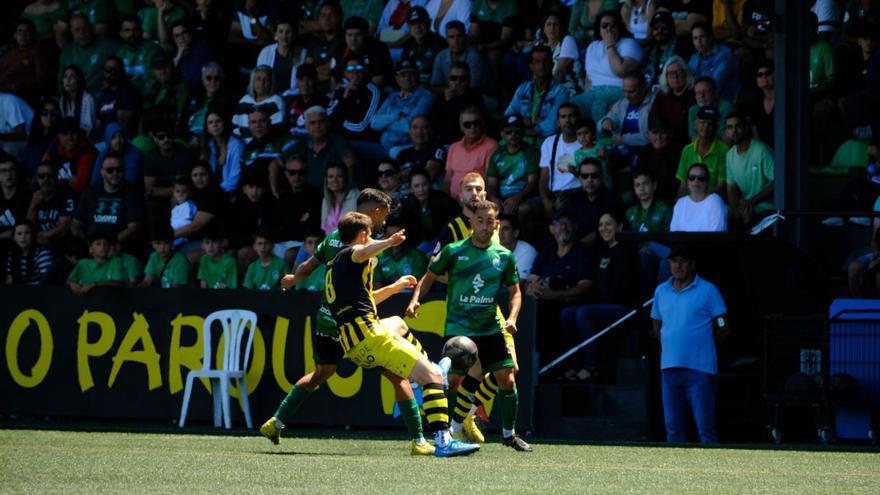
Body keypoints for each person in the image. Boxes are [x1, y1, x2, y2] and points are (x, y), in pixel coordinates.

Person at [266, 189, 449, 456]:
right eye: (384, 216)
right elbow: (362, 265)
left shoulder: (333, 241)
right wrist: (388, 242)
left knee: (322, 373)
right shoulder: (363, 250)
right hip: (359, 330)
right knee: (399, 377)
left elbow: (309, 266)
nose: (385, 221)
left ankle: (276, 421)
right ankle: (422, 434)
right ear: (375, 214)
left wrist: (294, 279)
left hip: (330, 322)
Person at [325, 210, 480, 456]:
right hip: (370, 337)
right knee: (433, 376)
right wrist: (389, 242)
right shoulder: (350, 254)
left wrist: (394, 288)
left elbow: (368, 300)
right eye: (371, 235)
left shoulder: (335, 266)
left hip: (357, 342)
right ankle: (443, 441)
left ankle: (421, 377)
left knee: (398, 322)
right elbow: (362, 251)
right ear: (363, 235)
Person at [407, 199, 531, 451]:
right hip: (459, 330)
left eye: (490, 221)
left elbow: (516, 292)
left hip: (489, 327)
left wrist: (512, 317)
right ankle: (446, 435)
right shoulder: (453, 251)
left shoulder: (504, 257)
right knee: (451, 383)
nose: (485, 226)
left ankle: (508, 435)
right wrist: (415, 299)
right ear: (471, 222)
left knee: (507, 379)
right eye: (480, 220)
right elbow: (429, 276)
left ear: (497, 224)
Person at [651, 244, 729, 444]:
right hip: (669, 368)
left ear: (692, 264)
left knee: (705, 429)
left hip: (700, 368)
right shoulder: (661, 291)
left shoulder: (708, 290)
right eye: (674, 261)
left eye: (682, 261)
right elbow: (656, 323)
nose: (678, 265)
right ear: (668, 263)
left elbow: (722, 323)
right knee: (673, 429)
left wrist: (706, 345)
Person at [559, 210, 639, 381]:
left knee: (583, 313)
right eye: (601, 225)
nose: (604, 228)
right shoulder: (601, 251)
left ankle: (591, 366)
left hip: (623, 308)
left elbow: (623, 290)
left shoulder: (626, 252)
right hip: (601, 306)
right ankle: (573, 364)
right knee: (567, 313)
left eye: (608, 224)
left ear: (620, 226)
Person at [573, 10, 643, 122]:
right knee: (571, 107)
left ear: (619, 27)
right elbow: (588, 79)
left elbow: (619, 70)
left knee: (599, 105)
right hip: (593, 92)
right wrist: (586, 98)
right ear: (599, 30)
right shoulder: (592, 46)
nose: (608, 29)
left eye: (613, 25)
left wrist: (610, 45)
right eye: (604, 26)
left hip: (620, 91)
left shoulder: (629, 44)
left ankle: (602, 137)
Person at [72, 152, 146, 245]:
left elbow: (134, 228)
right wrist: (88, 243)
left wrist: (110, 244)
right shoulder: (90, 192)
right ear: (102, 172)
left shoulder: (133, 193)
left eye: (119, 169)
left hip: (119, 247)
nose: (115, 173)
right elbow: (76, 223)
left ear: (124, 171)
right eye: (110, 170)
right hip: (91, 247)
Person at [276, 106, 357, 190]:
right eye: (312, 123)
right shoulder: (302, 143)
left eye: (321, 122)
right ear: (306, 127)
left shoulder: (337, 141)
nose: (317, 126)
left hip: (331, 193)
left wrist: (345, 187)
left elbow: (350, 161)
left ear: (328, 123)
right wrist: (276, 193)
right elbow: (275, 164)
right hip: (308, 195)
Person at [505, 45, 570, 139]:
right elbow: (508, 116)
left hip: (544, 141)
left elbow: (552, 126)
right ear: (531, 66)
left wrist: (525, 124)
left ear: (552, 64)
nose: (542, 65)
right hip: (517, 139)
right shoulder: (523, 89)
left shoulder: (560, 91)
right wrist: (534, 121)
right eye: (538, 62)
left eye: (545, 62)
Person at [371, 60, 434, 155]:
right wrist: (397, 116)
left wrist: (385, 123)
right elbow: (374, 123)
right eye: (403, 75)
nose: (407, 78)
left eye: (411, 74)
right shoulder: (392, 96)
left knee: (393, 152)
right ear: (397, 78)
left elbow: (408, 126)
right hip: (385, 147)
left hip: (410, 146)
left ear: (417, 76)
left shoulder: (426, 96)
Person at [724, 112, 774, 227]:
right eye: (730, 127)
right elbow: (730, 188)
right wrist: (735, 207)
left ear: (746, 129)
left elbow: (777, 183)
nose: (734, 131)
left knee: (747, 214)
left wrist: (751, 202)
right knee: (723, 212)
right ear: (726, 132)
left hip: (765, 204)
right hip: (746, 203)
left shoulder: (762, 150)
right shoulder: (730, 155)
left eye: (738, 126)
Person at [272, 156, 322, 264]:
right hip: (280, 243)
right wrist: (297, 224)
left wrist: (292, 227)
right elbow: (275, 228)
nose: (297, 176)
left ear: (307, 173)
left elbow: (311, 227)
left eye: (301, 172)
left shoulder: (315, 195)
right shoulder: (282, 196)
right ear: (286, 174)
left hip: (303, 244)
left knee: (290, 254)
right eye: (292, 172)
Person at [486, 115, 539, 215]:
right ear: (502, 134)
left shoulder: (532, 152)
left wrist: (517, 198)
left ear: (523, 132)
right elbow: (491, 184)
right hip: (501, 199)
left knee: (524, 209)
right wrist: (495, 199)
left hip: (524, 198)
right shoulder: (496, 155)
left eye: (517, 131)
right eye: (508, 132)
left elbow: (532, 182)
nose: (513, 135)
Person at [444, 106, 498, 199]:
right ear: (461, 127)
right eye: (467, 124)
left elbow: (490, 180)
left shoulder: (491, 146)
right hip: (453, 200)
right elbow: (448, 179)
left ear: (482, 124)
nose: (472, 127)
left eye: (476, 123)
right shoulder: (454, 147)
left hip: (475, 200)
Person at [538, 104, 583, 214]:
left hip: (577, 192)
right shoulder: (549, 142)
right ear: (558, 122)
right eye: (563, 117)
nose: (567, 120)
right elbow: (544, 177)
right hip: (553, 193)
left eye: (571, 116)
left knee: (562, 205)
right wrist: (545, 200)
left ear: (577, 119)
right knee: (525, 209)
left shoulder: (584, 142)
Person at [400, 169, 461, 250]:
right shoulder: (406, 206)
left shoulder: (444, 201)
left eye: (424, 185)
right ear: (411, 188)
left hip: (444, 243)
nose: (421, 190)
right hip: (419, 246)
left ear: (430, 184)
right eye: (416, 186)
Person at [568, 158, 623, 246]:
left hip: (603, 248)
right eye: (585, 176)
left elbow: (603, 233)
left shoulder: (612, 199)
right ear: (580, 179)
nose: (589, 180)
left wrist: (576, 247)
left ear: (601, 178)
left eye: (594, 175)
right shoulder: (575, 197)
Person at [57, 15, 118, 94]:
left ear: (91, 28)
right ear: (71, 31)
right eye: (77, 30)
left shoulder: (107, 44)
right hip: (77, 97)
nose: (82, 33)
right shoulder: (68, 52)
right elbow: (60, 81)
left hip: (103, 95)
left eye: (85, 28)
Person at [676, 105, 728, 197]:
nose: (706, 126)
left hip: (712, 201)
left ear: (716, 127)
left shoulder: (724, 150)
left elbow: (722, 187)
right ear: (695, 125)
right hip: (690, 200)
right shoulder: (687, 150)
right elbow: (683, 184)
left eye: (710, 123)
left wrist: (701, 201)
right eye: (702, 122)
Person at [431, 61, 485, 145]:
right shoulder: (440, 97)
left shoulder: (475, 98)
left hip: (463, 142)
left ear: (469, 79)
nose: (457, 82)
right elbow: (435, 122)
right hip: (441, 142)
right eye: (453, 78)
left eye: (462, 79)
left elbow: (460, 124)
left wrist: (450, 102)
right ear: (448, 79)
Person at [430, 21, 490, 96]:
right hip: (450, 95)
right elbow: (434, 86)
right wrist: (449, 91)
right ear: (446, 39)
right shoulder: (441, 55)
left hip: (478, 97)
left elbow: (473, 88)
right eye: (452, 37)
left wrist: (450, 91)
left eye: (459, 36)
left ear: (465, 37)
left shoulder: (474, 57)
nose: (456, 41)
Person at [599, 72, 657, 149]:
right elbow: (602, 123)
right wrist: (605, 121)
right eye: (624, 91)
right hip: (621, 150)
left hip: (646, 150)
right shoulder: (622, 103)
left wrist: (624, 139)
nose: (627, 96)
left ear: (643, 88)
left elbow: (650, 136)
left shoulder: (655, 103)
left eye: (632, 92)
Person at [648, 56, 696, 147]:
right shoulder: (661, 96)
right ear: (665, 77)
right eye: (671, 73)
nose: (675, 76)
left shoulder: (693, 94)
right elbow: (652, 119)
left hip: (686, 143)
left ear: (686, 73)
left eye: (679, 72)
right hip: (663, 142)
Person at [41, 117, 97, 196]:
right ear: (59, 136)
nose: (70, 138)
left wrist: (55, 181)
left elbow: (80, 186)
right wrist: (69, 181)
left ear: (79, 133)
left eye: (73, 133)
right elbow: (42, 173)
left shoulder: (87, 152)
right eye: (65, 134)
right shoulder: (54, 147)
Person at [26, 161, 74, 252]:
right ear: (36, 178)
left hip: (59, 246)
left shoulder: (65, 193)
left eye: (50, 175)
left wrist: (40, 237)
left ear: (56, 176)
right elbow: (28, 226)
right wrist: (33, 206)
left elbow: (63, 227)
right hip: (35, 246)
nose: (45, 179)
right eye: (41, 176)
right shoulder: (31, 195)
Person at [634, 116, 681, 204]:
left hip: (672, 200)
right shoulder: (644, 153)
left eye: (662, 133)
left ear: (669, 133)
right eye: (655, 133)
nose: (658, 137)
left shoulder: (678, 152)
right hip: (649, 201)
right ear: (648, 134)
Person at [143, 120, 195, 201]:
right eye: (161, 137)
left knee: (177, 198)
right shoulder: (150, 157)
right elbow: (149, 189)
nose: (166, 139)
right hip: (157, 199)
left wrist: (157, 191)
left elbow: (181, 189)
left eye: (169, 135)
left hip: (180, 197)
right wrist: (171, 190)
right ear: (155, 139)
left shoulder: (184, 154)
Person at [688, 22, 739, 103]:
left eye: (702, 37)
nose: (699, 42)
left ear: (710, 38)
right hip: (702, 100)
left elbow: (715, 84)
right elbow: (689, 82)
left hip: (725, 101)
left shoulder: (724, 54)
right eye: (695, 38)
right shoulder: (693, 58)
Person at [232, 66, 285, 142]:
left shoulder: (276, 100)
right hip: (243, 145)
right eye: (258, 79)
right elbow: (235, 126)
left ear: (271, 83)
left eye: (266, 80)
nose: (261, 83)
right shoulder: (244, 100)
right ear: (252, 81)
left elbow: (276, 129)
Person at [670, 163, 727, 232]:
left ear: (707, 182)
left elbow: (717, 237)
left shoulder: (715, 201)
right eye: (692, 178)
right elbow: (674, 234)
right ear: (687, 182)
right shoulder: (680, 204)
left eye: (701, 178)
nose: (696, 181)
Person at [375, 214, 428, 288]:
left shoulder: (418, 258)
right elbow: (377, 285)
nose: (395, 241)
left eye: (398, 237)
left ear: (406, 235)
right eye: (390, 237)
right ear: (385, 236)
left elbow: (417, 288)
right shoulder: (378, 256)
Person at [339, 16, 395, 87]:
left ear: (366, 35)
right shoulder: (341, 49)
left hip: (378, 90)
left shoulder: (379, 49)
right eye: (350, 35)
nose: (353, 39)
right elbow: (335, 79)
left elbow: (379, 80)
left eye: (358, 34)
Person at [255, 17, 304, 95]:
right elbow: (259, 78)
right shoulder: (266, 52)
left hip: (292, 97)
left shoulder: (303, 53)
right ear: (276, 35)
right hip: (268, 96)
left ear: (294, 35)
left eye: (288, 32)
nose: (284, 36)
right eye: (281, 32)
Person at [115, 14, 163, 93]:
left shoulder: (152, 49)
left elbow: (151, 80)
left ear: (141, 31)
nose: (131, 34)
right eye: (127, 30)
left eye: (135, 30)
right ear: (121, 34)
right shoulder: (120, 52)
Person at [400, 6, 446, 88]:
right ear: (408, 26)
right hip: (412, 88)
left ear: (429, 23)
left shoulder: (440, 43)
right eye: (413, 23)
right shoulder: (408, 44)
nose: (417, 27)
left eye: (421, 22)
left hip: (433, 89)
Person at [201, 109, 245, 194]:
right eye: (210, 122)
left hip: (230, 193)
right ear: (207, 128)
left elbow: (235, 179)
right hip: (214, 192)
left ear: (224, 123)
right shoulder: (209, 145)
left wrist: (214, 192)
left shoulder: (236, 145)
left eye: (218, 121)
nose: (215, 125)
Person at [396, 115, 447, 184]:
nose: (419, 132)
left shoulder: (437, 149)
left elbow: (429, 175)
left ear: (430, 130)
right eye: (415, 127)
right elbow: (397, 179)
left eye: (424, 128)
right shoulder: (402, 154)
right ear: (409, 131)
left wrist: (407, 173)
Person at [91, 122, 144, 187]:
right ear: (108, 139)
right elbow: (95, 180)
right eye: (113, 137)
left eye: (120, 136)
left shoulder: (135, 154)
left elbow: (130, 181)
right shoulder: (104, 154)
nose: (118, 140)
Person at [140, 224, 190, 288]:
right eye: (158, 243)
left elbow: (176, 289)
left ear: (172, 244)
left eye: (166, 243)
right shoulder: (154, 256)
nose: (162, 248)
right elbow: (147, 281)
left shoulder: (180, 261)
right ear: (152, 244)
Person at [4, 220, 52, 285]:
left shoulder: (42, 253)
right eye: (19, 233)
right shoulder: (12, 253)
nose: (23, 237)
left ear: (32, 235)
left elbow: (48, 281)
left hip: (39, 291)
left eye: (27, 233)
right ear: (14, 237)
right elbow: (9, 280)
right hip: (20, 291)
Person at [58, 65, 97, 135]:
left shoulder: (88, 99)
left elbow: (90, 129)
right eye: (65, 76)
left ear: (79, 80)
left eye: (72, 77)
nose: (67, 80)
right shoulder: (62, 99)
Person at [321, 163, 359, 235]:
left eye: (339, 176)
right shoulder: (325, 200)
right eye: (330, 176)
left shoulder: (355, 196)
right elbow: (323, 228)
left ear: (346, 178)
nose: (334, 180)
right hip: (330, 243)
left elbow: (356, 227)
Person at [499, 213, 537, 279]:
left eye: (505, 229)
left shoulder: (527, 251)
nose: (500, 233)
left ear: (515, 233)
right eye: (497, 229)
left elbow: (519, 282)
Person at [0, 92, 35, 157]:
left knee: (9, 148)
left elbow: (22, 135)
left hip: (30, 140)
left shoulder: (9, 102)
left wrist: (1, 136)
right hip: (6, 140)